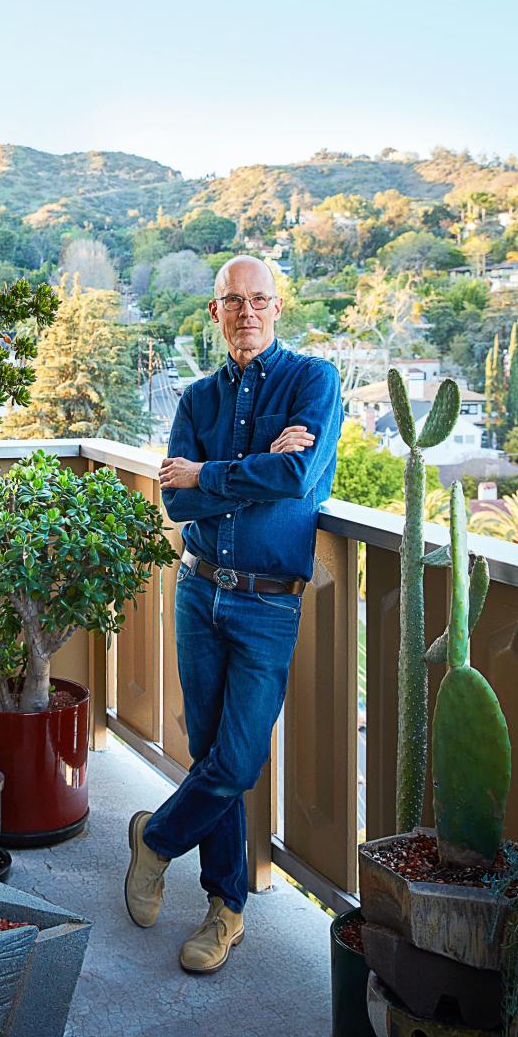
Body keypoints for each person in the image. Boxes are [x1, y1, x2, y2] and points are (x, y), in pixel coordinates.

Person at [124, 255, 343, 974]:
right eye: (232, 301)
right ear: (214, 312)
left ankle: (155, 839)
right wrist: (242, 472)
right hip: (198, 590)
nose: (245, 312)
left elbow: (297, 476)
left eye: (258, 300)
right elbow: (176, 500)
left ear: (278, 307)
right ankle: (225, 910)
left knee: (240, 755)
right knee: (213, 746)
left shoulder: (313, 380)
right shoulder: (195, 398)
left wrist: (211, 473)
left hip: (268, 605)